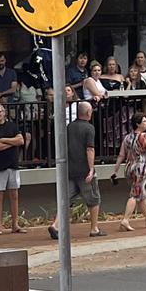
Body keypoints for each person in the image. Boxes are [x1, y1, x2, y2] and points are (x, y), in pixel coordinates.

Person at [48, 101, 106, 240]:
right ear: (87, 113)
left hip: (70, 168)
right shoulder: (89, 128)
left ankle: (55, 225)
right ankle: (94, 228)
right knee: (93, 199)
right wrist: (91, 169)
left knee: (66, 198)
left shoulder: (69, 127)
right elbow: (90, 149)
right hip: (83, 169)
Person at [0, 103, 26, 235]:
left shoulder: (12, 126)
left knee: (14, 194)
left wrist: (3, 140)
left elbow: (20, 141)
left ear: (4, 112)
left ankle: (15, 224)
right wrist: (11, 142)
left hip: (13, 164)